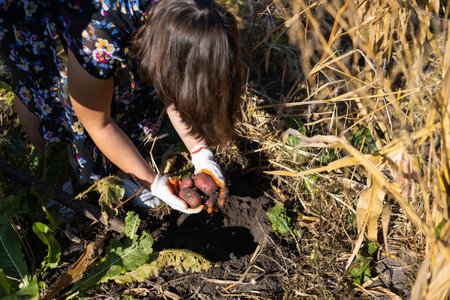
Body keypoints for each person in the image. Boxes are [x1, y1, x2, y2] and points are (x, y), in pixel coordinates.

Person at [0, 0, 243, 214]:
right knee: (37, 78)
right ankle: (58, 180)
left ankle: (124, 173)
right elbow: (97, 122)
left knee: (135, 88)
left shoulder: (193, 10)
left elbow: (177, 82)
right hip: (28, 5)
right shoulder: (97, 40)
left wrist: (201, 152)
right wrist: (154, 182)